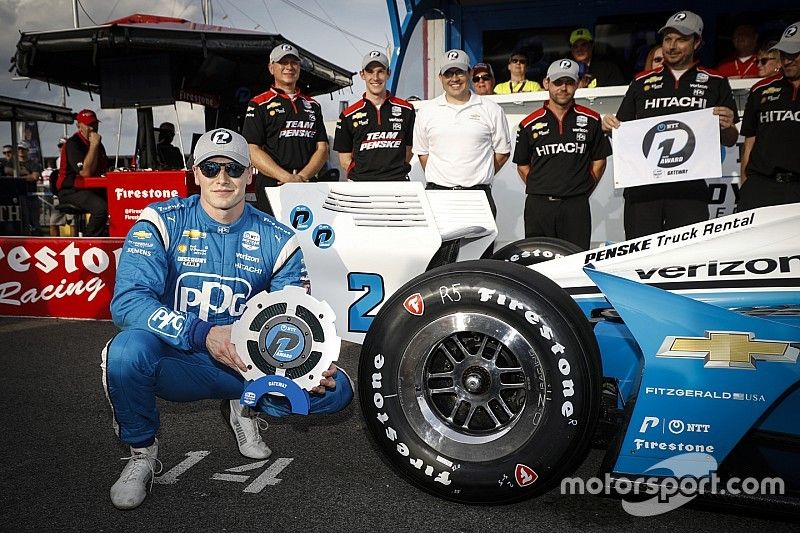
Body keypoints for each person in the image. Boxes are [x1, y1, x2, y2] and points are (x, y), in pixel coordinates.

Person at [102, 128, 353, 510]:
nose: (222, 178)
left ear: (249, 174)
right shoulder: (160, 220)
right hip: (179, 357)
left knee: (336, 391)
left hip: (246, 365)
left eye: (234, 168)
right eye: (211, 167)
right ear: (195, 172)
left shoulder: (279, 238)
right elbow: (128, 303)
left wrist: (306, 366)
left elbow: (295, 318)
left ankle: (244, 405)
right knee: (123, 354)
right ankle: (142, 454)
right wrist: (202, 334)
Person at [602, 10, 739, 239]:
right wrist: (609, 126)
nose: (672, 46)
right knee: (639, 258)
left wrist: (727, 127)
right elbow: (622, 130)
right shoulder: (641, 82)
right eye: (667, 39)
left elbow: (731, 139)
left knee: (686, 258)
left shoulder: (715, 82)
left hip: (689, 191)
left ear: (697, 43)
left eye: (681, 39)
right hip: (642, 190)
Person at [514, 59, 611, 250]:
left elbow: (600, 160)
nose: (563, 88)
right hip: (538, 207)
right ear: (546, 83)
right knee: (538, 262)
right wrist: (542, 187)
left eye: (569, 82)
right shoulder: (529, 123)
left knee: (574, 260)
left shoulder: (592, 119)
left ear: (578, 84)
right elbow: (522, 165)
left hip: (576, 207)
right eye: (558, 82)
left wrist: (581, 190)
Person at [413, 49, 511, 218]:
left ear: (470, 73)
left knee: (481, 246)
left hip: (478, 197)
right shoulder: (426, 111)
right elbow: (423, 154)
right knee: (440, 245)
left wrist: (478, 175)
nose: (454, 79)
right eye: (448, 74)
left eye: (460, 72)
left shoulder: (492, 109)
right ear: (440, 78)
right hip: (438, 197)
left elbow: (502, 152)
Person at [242, 43, 328, 215]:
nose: (289, 67)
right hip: (272, 185)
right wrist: (286, 178)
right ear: (271, 68)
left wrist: (301, 178)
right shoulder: (259, 103)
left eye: (294, 63)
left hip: (306, 184)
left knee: (306, 238)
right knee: (273, 237)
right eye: (283, 62)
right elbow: (252, 149)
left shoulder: (313, 105)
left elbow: (322, 148)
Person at [737, 21, 800, 211]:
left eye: (794, 54)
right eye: (784, 54)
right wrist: (746, 186)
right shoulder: (760, 90)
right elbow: (749, 144)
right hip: (761, 188)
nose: (787, 60)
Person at [333, 50, 415, 181]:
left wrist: (392, 173)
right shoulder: (348, 115)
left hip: (397, 185)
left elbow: (409, 150)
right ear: (362, 75)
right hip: (362, 186)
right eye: (370, 71)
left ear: (388, 73)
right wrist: (365, 176)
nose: (375, 77)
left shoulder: (406, 109)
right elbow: (344, 159)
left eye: (380, 71)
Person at [57, 109, 109, 237]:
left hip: (91, 188)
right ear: (79, 126)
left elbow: (103, 168)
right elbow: (85, 172)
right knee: (100, 208)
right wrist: (93, 146)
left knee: (117, 200)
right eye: (89, 125)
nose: (93, 128)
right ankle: (90, 240)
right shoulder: (73, 144)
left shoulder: (98, 145)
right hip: (71, 190)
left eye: (95, 124)